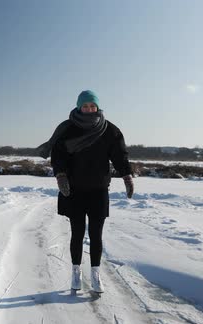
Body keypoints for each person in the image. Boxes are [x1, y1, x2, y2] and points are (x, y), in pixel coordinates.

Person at [38, 90, 134, 293]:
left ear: (97, 107)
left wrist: (127, 175)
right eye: (85, 106)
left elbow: (119, 155)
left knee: (96, 234)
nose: (89, 109)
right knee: (77, 233)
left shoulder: (110, 130)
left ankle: (96, 273)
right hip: (74, 190)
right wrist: (61, 175)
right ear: (79, 107)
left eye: (92, 105)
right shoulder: (67, 129)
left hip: (99, 190)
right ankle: (75, 272)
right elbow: (58, 155)